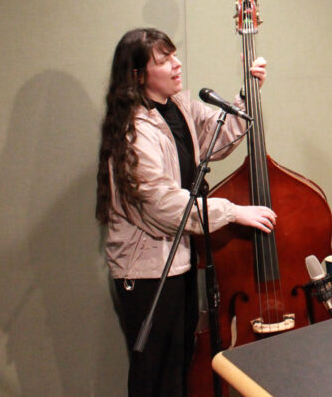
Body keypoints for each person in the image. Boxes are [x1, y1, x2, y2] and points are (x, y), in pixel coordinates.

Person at [95, 27, 277, 396]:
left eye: (174, 55)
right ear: (138, 75)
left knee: (180, 365)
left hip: (178, 262)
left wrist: (247, 93)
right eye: (164, 60)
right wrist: (232, 212)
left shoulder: (177, 105)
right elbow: (164, 206)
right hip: (146, 275)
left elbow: (217, 137)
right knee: (155, 376)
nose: (177, 65)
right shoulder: (133, 131)